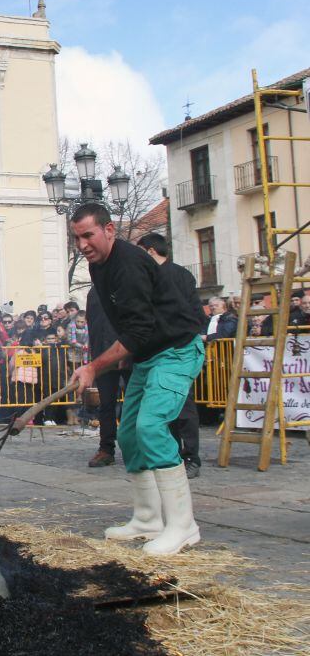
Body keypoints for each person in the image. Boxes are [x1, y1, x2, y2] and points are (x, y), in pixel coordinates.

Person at [68, 204, 205, 556]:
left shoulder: (128, 264)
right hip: (146, 354)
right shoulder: (98, 265)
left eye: (88, 235)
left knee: (151, 426)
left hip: (176, 349)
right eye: (77, 237)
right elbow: (130, 328)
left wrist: (95, 367)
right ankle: (148, 519)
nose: (82, 244)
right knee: (129, 434)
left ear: (109, 230)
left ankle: (183, 526)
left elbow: (139, 329)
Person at [138, 232, 205, 479]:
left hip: (178, 349)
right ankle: (176, 455)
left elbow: (192, 311)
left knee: (183, 408)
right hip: (164, 349)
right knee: (167, 409)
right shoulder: (171, 274)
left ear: (150, 251)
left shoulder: (173, 275)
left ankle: (190, 456)